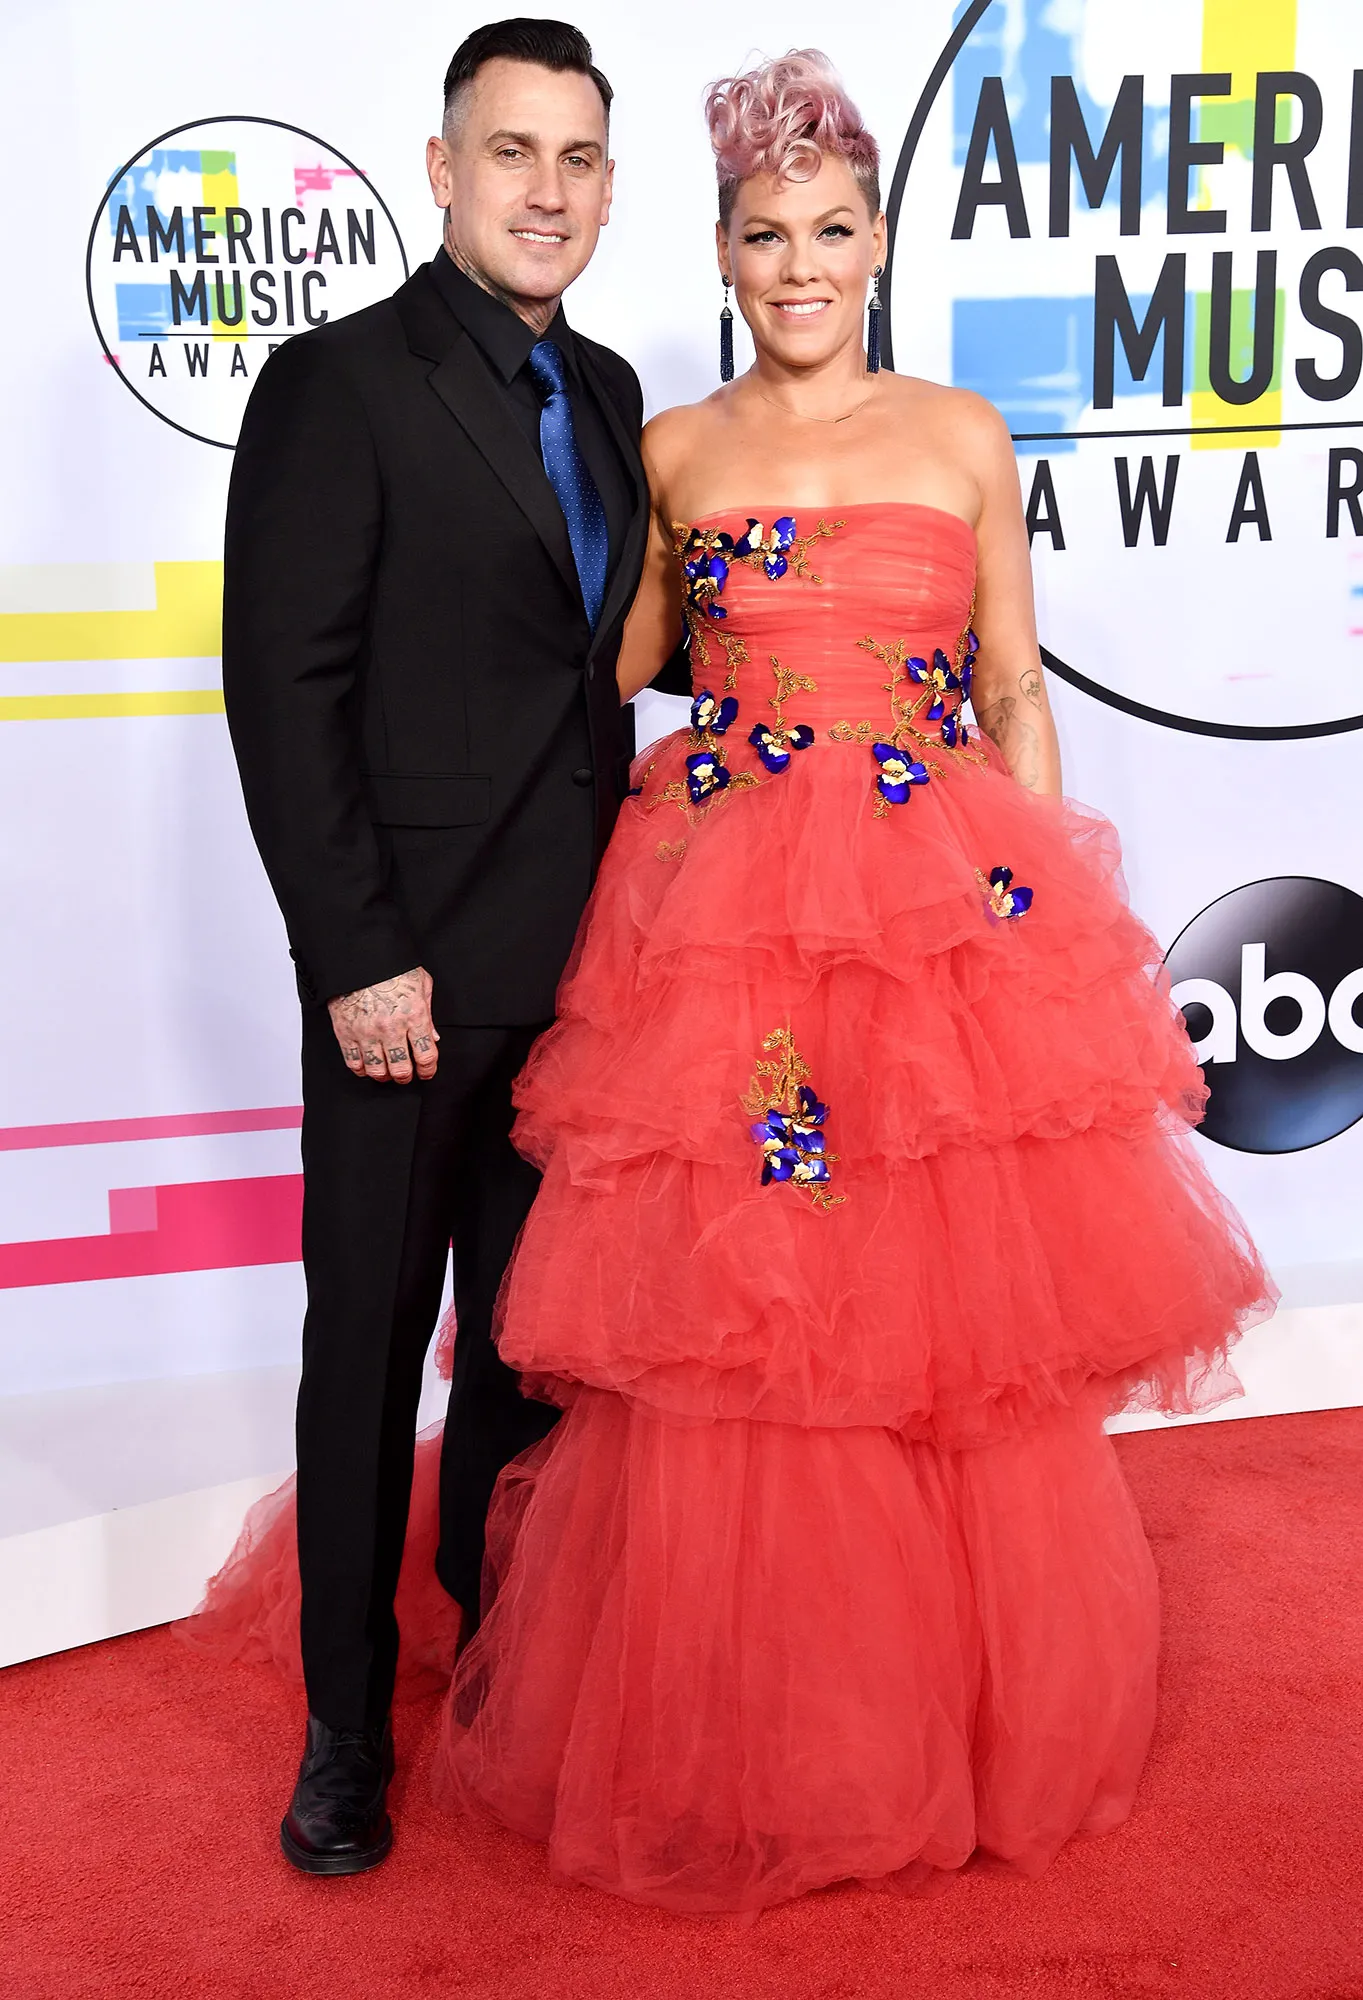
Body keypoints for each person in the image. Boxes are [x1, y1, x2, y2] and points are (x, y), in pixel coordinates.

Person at [425, 51, 1274, 1912]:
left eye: (827, 230)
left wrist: (1049, 930)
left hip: (919, 903)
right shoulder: (670, 450)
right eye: (761, 235)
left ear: (877, 238)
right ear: (720, 250)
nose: (796, 265)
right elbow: (611, 663)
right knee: (750, 1308)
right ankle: (755, 1719)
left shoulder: (966, 435)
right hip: (723, 922)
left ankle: (948, 1715)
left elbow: (1017, 690)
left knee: (925, 1309)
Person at [189, 19, 681, 1876]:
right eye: (510, 153)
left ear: (609, 188)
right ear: (441, 167)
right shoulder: (340, 382)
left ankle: (497, 1672)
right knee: (368, 1351)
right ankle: (341, 1730)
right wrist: (353, 951)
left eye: (575, 159)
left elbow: (614, 659)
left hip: (584, 981)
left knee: (528, 1359)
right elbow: (282, 693)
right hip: (398, 984)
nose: (544, 189)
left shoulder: (621, 387)